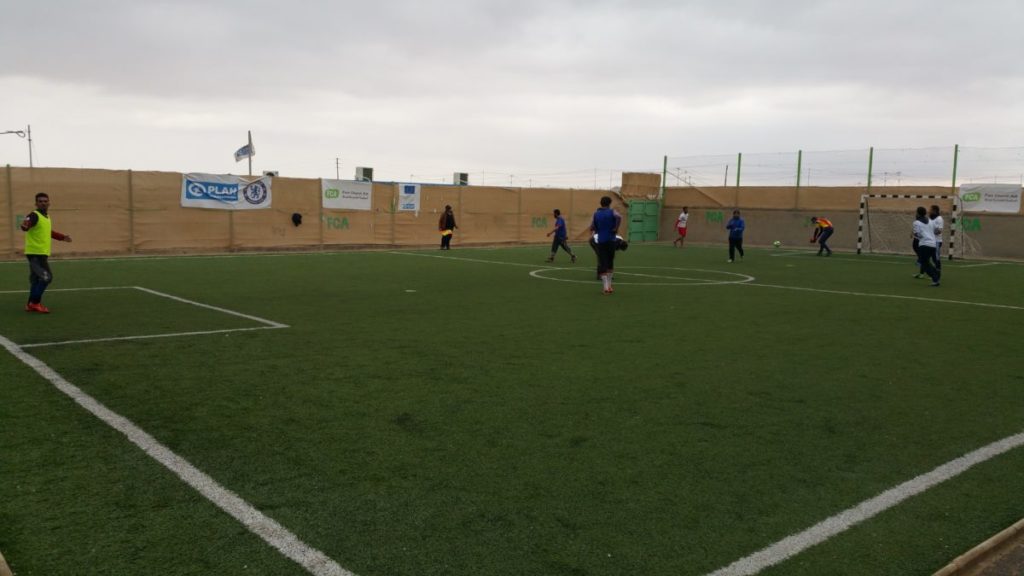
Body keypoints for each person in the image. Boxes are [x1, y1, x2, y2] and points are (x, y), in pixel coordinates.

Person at [20, 192, 73, 313]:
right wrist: (24, 225)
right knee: (46, 278)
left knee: (36, 279)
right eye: (40, 201)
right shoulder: (34, 215)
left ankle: (30, 304)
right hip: (35, 254)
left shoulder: (46, 217)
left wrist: (62, 237)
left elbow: (49, 232)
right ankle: (35, 303)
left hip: (41, 254)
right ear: (36, 203)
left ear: (49, 203)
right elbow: (25, 225)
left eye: (45, 201)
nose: (43, 203)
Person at [590, 196, 622, 294]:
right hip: (611, 240)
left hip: (601, 241)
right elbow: (619, 217)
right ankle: (610, 286)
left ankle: (605, 288)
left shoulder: (596, 214)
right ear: (609, 203)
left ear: (601, 203)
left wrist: (597, 229)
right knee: (610, 263)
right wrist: (615, 228)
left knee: (603, 262)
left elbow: (592, 227)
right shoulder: (612, 212)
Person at [912, 206, 941, 287]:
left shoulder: (916, 222)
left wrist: (922, 235)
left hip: (924, 244)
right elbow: (937, 231)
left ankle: (935, 279)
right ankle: (937, 273)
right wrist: (930, 234)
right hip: (933, 244)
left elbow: (917, 234)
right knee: (926, 262)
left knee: (924, 264)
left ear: (918, 213)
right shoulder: (931, 221)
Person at [928, 205, 944, 270]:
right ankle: (922, 273)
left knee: (935, 257)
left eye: (930, 210)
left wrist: (930, 232)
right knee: (926, 257)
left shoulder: (939, 219)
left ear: (934, 211)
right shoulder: (930, 218)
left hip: (937, 241)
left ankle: (938, 270)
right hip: (930, 241)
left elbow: (940, 230)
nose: (929, 211)